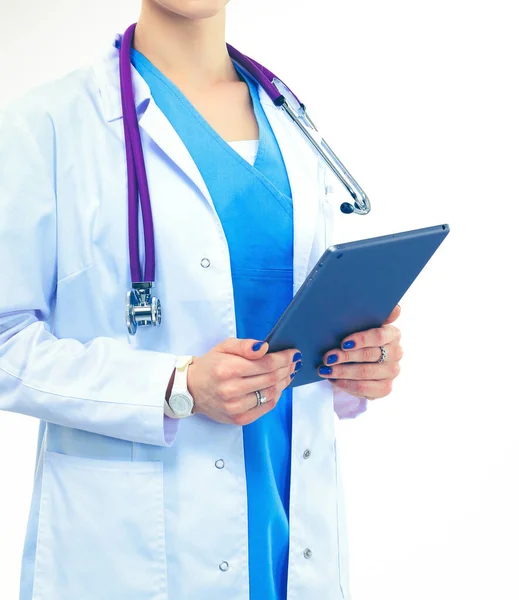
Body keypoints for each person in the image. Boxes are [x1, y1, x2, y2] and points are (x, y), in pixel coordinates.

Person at [0, 1, 403, 599]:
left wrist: (357, 360)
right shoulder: (52, 125)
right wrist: (173, 386)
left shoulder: (290, 119)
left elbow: (292, 319)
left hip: (290, 527)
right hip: (138, 550)